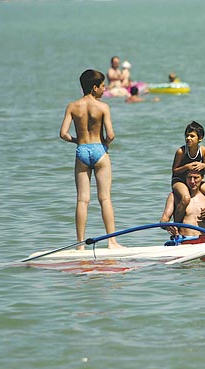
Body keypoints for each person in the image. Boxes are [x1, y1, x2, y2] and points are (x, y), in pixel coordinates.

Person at [59, 69, 122, 249]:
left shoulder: (72, 106)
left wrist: (77, 141)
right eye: (103, 86)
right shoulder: (103, 107)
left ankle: (80, 244)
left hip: (82, 151)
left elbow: (63, 134)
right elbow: (110, 134)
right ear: (94, 88)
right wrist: (104, 144)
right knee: (105, 199)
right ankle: (112, 242)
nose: (105, 89)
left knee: (82, 200)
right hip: (99, 150)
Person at [171, 121, 205, 225]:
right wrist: (187, 167)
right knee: (185, 198)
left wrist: (204, 166)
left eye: (192, 136)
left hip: (195, 180)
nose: (188, 138)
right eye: (187, 136)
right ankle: (177, 225)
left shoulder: (203, 151)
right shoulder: (181, 151)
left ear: (200, 138)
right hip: (179, 180)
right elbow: (174, 170)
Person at [160, 170, 205, 238]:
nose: (192, 181)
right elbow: (163, 221)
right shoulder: (175, 196)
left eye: (195, 178)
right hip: (184, 240)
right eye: (189, 177)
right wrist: (168, 226)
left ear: (202, 178)